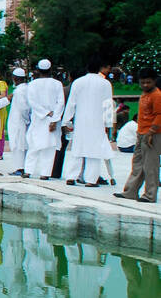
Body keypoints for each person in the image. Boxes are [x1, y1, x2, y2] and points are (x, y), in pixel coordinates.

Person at [61, 59, 114, 187]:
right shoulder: (105, 84)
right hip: (97, 122)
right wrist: (108, 125)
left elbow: (71, 103)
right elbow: (108, 105)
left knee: (77, 148)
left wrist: (66, 120)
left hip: (81, 121)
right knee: (94, 151)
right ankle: (91, 180)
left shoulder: (78, 82)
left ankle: (71, 177)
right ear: (99, 69)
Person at [115, 67, 160, 203]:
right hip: (141, 133)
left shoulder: (157, 95)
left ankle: (150, 195)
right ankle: (131, 191)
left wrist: (151, 132)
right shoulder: (144, 94)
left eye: (148, 82)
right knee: (137, 163)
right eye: (143, 82)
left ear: (154, 81)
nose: (145, 85)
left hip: (152, 134)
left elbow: (159, 115)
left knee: (150, 165)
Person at [24, 59, 65, 180]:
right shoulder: (57, 84)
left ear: (38, 70)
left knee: (34, 145)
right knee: (49, 147)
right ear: (50, 70)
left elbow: (32, 102)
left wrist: (46, 114)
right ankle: (45, 173)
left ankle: (28, 170)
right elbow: (61, 102)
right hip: (51, 118)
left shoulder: (32, 84)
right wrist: (54, 118)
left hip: (39, 117)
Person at [4, 67, 30, 176]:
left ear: (15, 78)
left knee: (18, 145)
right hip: (20, 121)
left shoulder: (19, 91)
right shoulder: (25, 88)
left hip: (19, 121)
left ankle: (20, 168)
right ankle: (21, 166)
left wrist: (26, 120)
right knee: (20, 144)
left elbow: (24, 108)